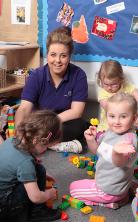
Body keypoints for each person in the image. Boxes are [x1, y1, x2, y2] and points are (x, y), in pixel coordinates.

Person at [15, 26, 89, 154]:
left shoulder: (79, 75)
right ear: (47, 55)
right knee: (29, 126)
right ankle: (53, 144)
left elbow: (77, 111)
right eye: (53, 55)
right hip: (39, 123)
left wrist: (50, 123)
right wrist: (19, 132)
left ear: (69, 56)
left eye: (63, 56)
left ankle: (43, 143)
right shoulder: (36, 75)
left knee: (81, 125)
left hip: (62, 123)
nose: (58, 61)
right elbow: (24, 108)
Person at [70, 92, 138, 209]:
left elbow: (119, 163)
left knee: (73, 188)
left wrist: (116, 152)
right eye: (112, 116)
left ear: (134, 118)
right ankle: (123, 195)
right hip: (114, 185)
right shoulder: (110, 132)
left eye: (123, 116)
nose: (116, 121)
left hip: (108, 190)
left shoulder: (129, 139)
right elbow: (98, 151)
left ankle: (108, 203)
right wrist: (91, 140)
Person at [0, 110, 62, 222]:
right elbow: (36, 197)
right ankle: (36, 212)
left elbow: (13, 163)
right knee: (38, 170)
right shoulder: (25, 163)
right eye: (47, 147)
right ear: (38, 141)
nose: (46, 151)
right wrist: (49, 194)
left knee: (38, 168)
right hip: (5, 207)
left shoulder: (10, 141)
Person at [97, 59, 138, 132]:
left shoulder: (126, 86)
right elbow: (111, 108)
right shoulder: (103, 93)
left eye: (114, 84)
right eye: (106, 84)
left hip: (125, 127)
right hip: (108, 128)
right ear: (100, 80)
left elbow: (137, 95)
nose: (109, 87)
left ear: (121, 80)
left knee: (130, 139)